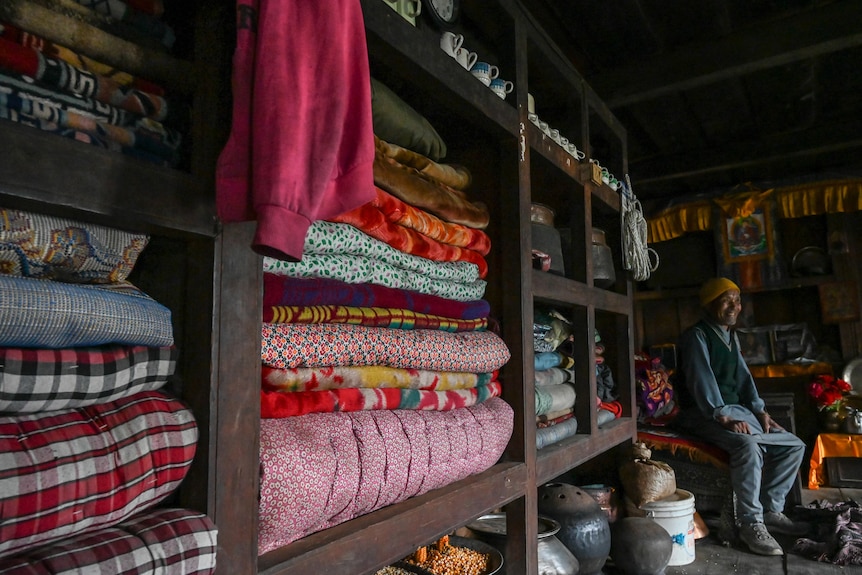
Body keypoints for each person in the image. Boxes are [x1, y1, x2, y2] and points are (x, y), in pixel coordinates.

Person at [674, 277, 807, 556]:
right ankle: (750, 524)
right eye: (726, 300)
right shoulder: (696, 336)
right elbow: (702, 380)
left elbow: (744, 380)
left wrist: (761, 412)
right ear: (710, 305)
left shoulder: (731, 336)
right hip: (702, 413)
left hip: (737, 411)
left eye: (737, 299)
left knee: (793, 445)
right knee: (748, 445)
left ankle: (771, 509)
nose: (734, 306)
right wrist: (722, 416)